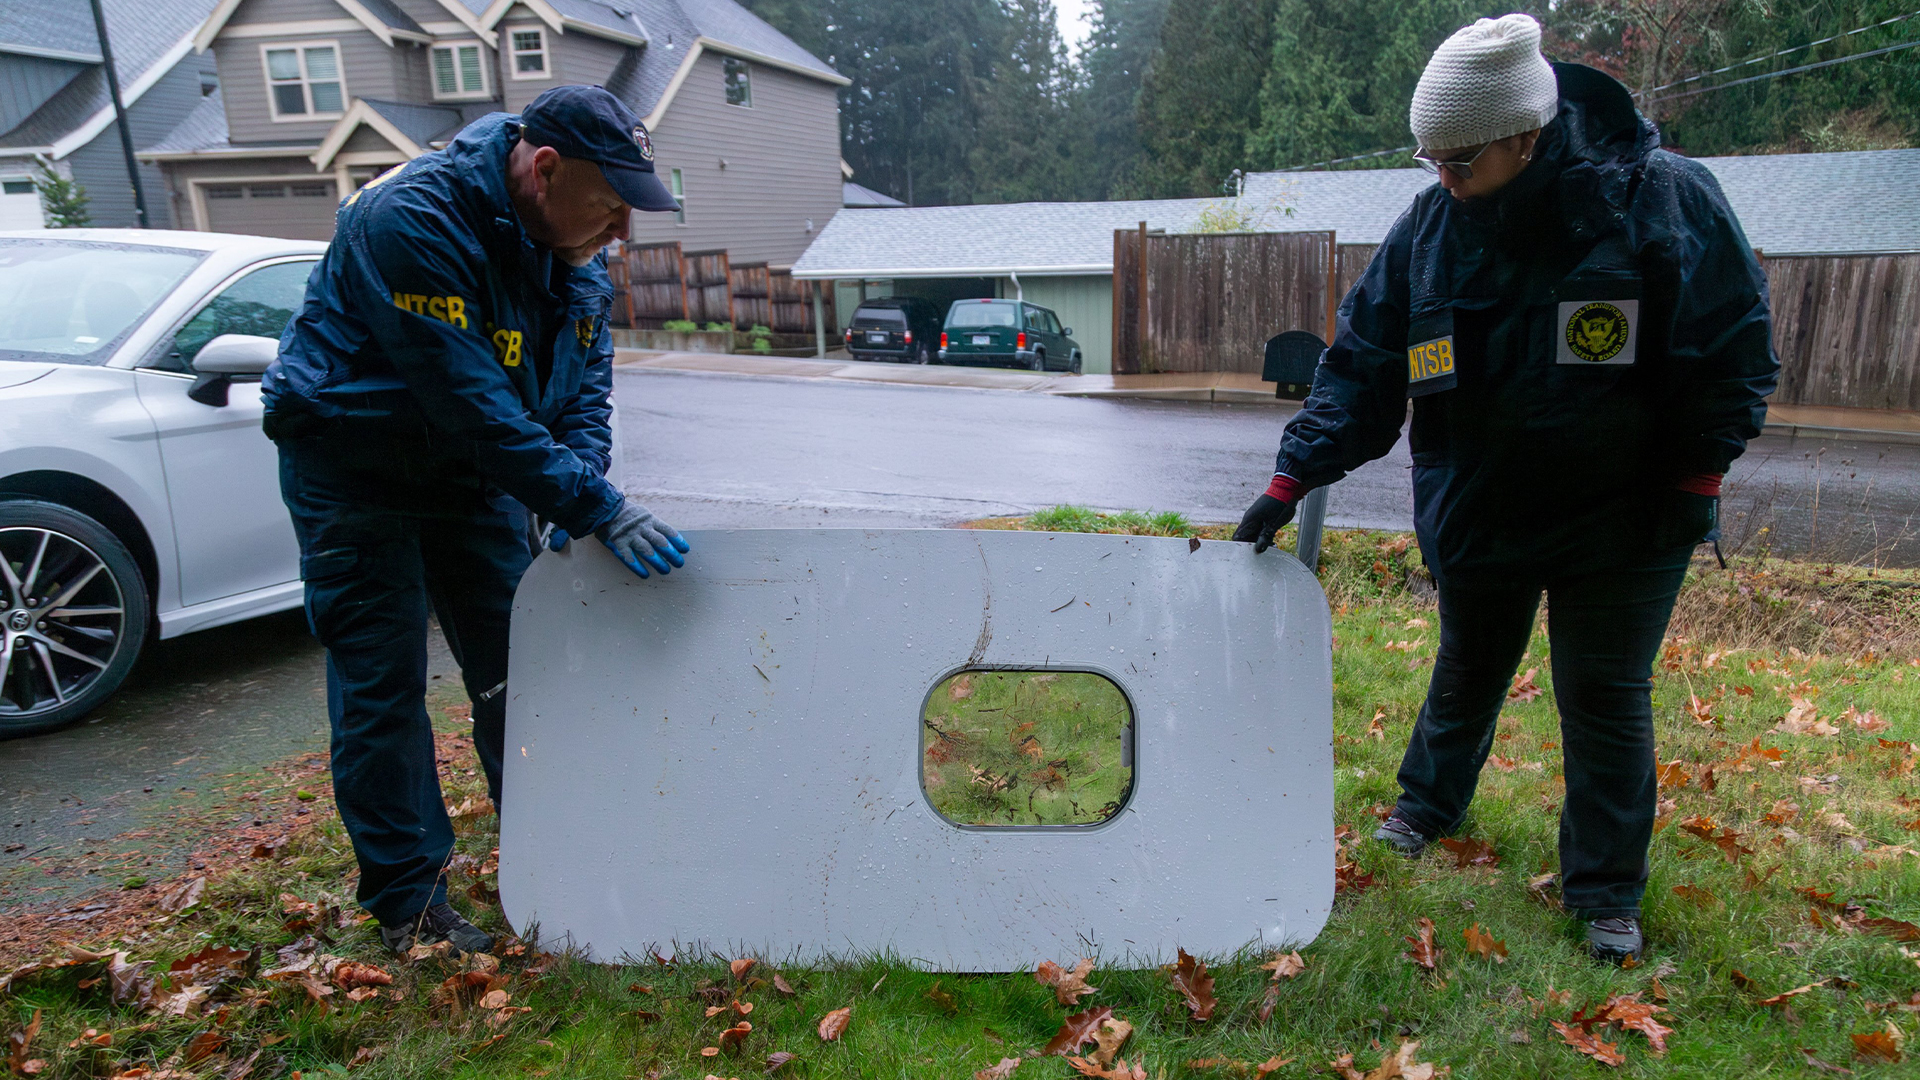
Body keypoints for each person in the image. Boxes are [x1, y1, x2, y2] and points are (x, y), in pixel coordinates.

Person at [1233, 14, 1777, 964]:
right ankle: (1426, 807)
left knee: (1604, 695)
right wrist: (1294, 473)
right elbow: (1363, 363)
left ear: (1525, 135)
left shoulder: (1660, 200)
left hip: (1627, 514)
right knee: (1468, 666)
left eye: (1461, 158)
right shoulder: (1431, 229)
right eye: (1429, 158)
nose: (1441, 178)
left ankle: (1605, 892)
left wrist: (1698, 473)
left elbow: (1734, 350)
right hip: (1481, 502)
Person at [262, 85, 691, 954]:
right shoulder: (409, 219)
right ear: (544, 170)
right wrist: (593, 505)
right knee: (383, 686)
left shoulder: (575, 257)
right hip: (355, 463)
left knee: (522, 673)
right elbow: (470, 400)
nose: (621, 235)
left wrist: (580, 490)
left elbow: (582, 395)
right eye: (610, 207)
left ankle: (551, 857)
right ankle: (409, 904)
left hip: (472, 474)